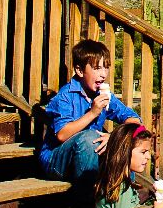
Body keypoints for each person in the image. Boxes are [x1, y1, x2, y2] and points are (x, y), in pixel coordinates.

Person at [37, 38, 139, 184]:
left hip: (89, 156)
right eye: (97, 68)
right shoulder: (65, 97)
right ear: (79, 70)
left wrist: (113, 137)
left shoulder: (103, 95)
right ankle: (87, 203)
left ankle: (124, 199)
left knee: (124, 143)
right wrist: (92, 113)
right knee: (89, 137)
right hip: (57, 161)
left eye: (106, 67)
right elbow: (62, 135)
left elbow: (134, 120)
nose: (103, 74)